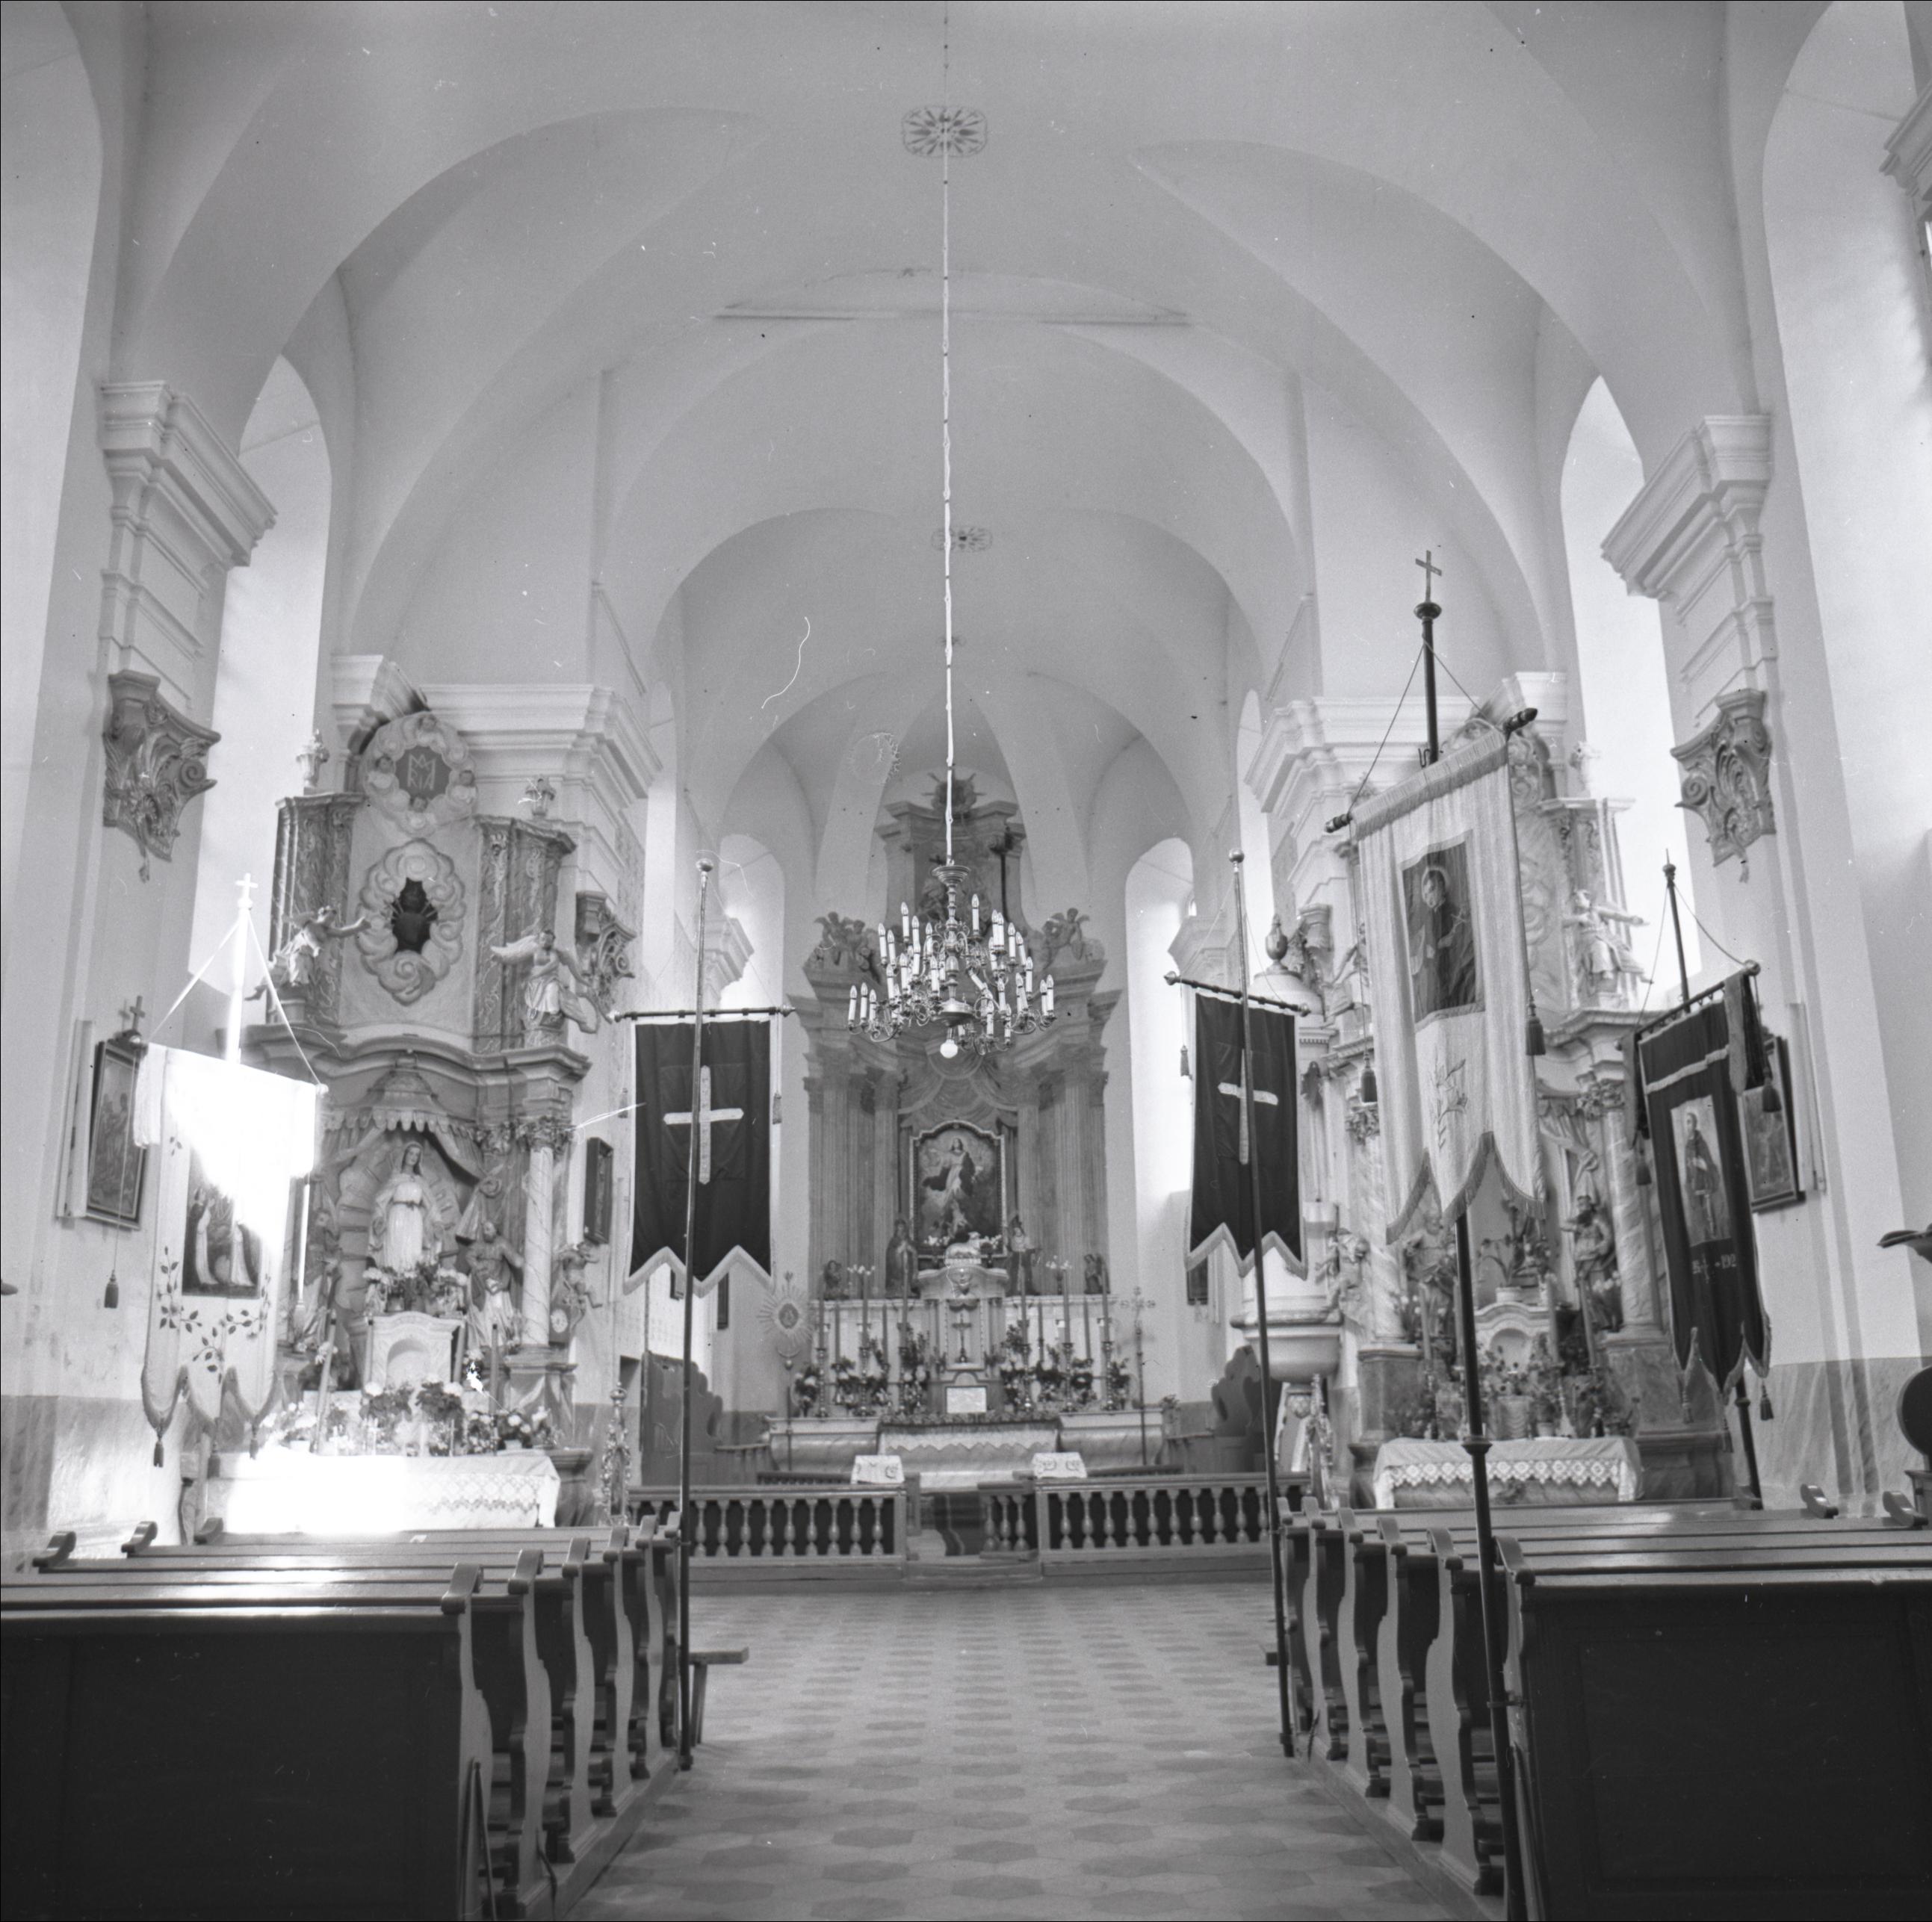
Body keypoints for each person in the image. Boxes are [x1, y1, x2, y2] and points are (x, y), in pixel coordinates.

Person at [489, 926, 599, 1036]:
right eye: (543, 939)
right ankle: (532, 1018)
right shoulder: (534, 949)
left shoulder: (554, 952)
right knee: (534, 1003)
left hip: (550, 980)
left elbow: (555, 964)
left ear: (552, 941)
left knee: (564, 997)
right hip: (536, 982)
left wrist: (583, 981)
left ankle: (581, 1023)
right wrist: (501, 958)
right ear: (539, 939)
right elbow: (517, 956)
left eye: (548, 941)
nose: (545, 943)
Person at [1408, 858, 1477, 1018]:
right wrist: (1436, 946)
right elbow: (1424, 948)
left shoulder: (1454, 912)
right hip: (1434, 976)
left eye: (1432, 890)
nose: (1428, 897)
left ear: (1442, 887)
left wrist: (1444, 945)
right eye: (1425, 894)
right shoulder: (1427, 918)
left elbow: (1464, 943)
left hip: (1452, 973)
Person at [368, 1141, 443, 1276]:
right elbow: (381, 1201)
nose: (413, 1157)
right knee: (396, 1248)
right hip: (397, 1217)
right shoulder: (395, 1179)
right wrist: (379, 1218)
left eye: (417, 1155)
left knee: (413, 1251)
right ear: (404, 1155)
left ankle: (411, 1282)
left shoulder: (421, 1181)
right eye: (411, 1153)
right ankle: (392, 1280)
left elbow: (431, 1205)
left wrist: (437, 1222)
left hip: (415, 1220)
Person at [1680, 1111, 1730, 1245]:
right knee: (1701, 1229)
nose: (1687, 1126)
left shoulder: (1702, 1144)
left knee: (1713, 1226)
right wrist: (1690, 1190)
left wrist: (1704, 1165)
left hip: (1707, 1192)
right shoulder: (1687, 1148)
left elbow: (1711, 1167)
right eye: (1686, 1123)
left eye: (1689, 1122)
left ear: (1695, 1124)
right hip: (1696, 1195)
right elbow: (1688, 1174)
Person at [885, 1216, 918, 1295]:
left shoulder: (909, 1241)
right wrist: (899, 1251)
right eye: (900, 1227)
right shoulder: (893, 1242)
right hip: (896, 1277)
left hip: (907, 1274)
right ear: (896, 1229)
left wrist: (912, 1250)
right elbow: (890, 1257)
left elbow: (914, 1254)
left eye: (903, 1227)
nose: (901, 1230)